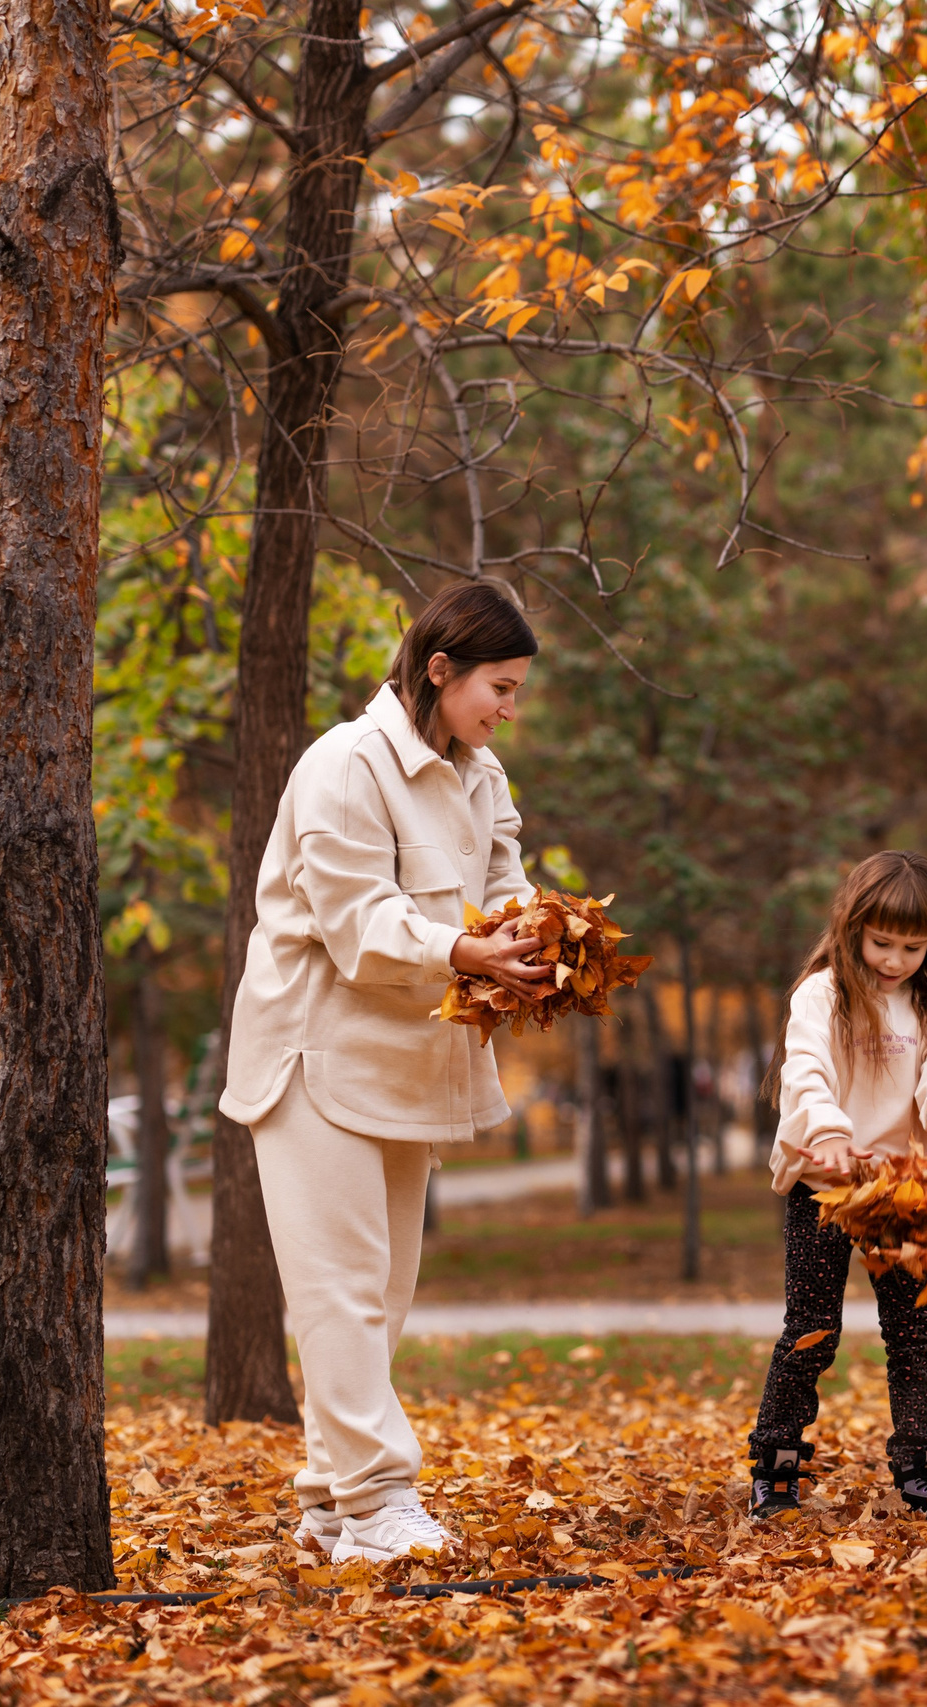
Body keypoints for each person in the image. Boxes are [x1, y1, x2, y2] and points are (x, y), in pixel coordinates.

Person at [219, 578, 555, 1564]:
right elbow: (358, 922)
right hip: (312, 1060)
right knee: (341, 1295)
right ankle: (377, 1503)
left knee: (381, 1297)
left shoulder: (481, 776)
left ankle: (330, 1508)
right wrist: (468, 955)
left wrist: (535, 943)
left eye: (517, 691)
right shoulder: (343, 766)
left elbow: (504, 886)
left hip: (408, 1065)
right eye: (498, 685)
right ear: (439, 669)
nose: (507, 708)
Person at [746, 850, 927, 1526]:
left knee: (914, 1334)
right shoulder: (822, 994)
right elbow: (806, 1072)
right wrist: (826, 1131)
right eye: (881, 941)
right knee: (812, 1330)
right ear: (853, 926)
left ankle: (921, 1474)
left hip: (902, 1196)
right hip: (825, 1187)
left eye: (911, 946)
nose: (893, 959)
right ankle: (775, 1470)